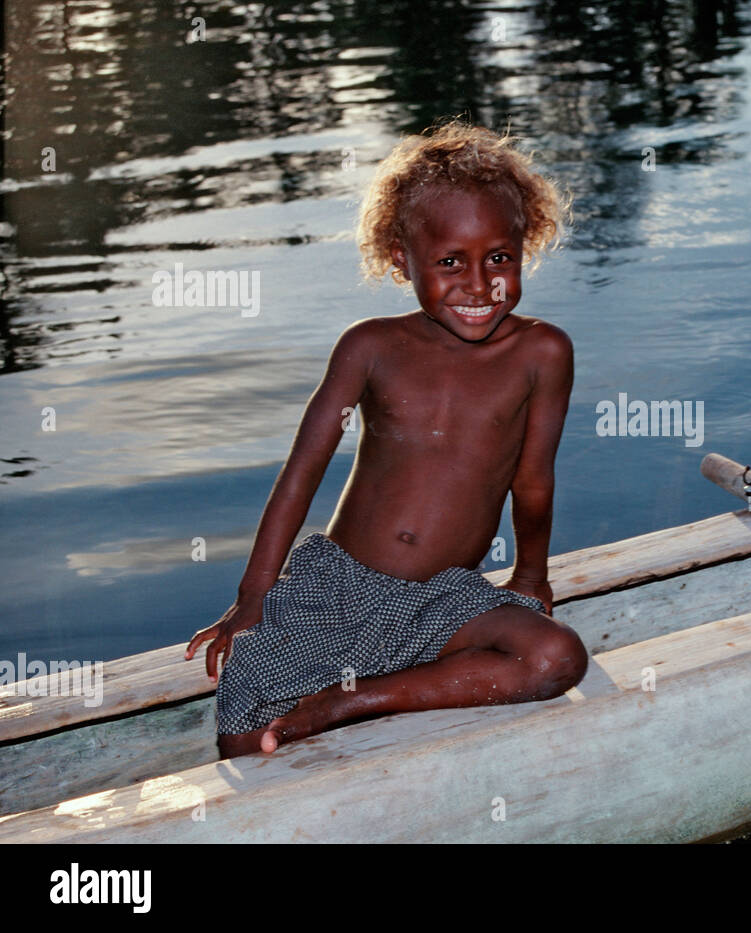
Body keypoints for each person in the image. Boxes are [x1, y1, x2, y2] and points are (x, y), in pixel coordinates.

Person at [186, 121, 585, 759]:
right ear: (402, 258)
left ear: (525, 246)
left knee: (556, 658)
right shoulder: (370, 347)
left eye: (499, 258)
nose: (480, 284)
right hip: (340, 588)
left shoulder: (543, 352)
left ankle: (353, 700)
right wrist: (252, 597)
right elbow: (301, 474)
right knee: (245, 715)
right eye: (450, 261)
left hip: (448, 594)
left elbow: (533, 479)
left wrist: (532, 574)